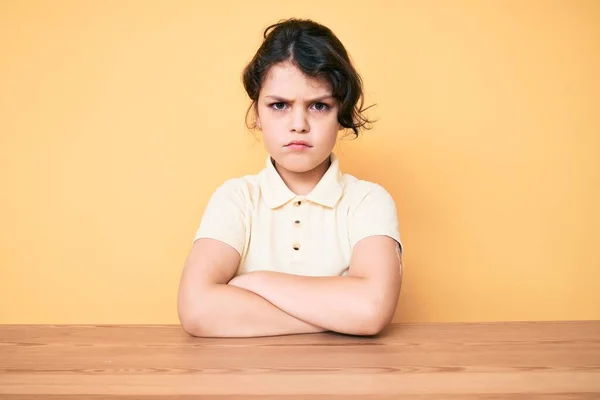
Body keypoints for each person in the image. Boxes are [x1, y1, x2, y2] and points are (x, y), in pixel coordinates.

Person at [177, 18, 403, 338]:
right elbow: (198, 310)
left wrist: (254, 283)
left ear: (341, 114)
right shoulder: (236, 199)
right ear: (257, 113)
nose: (299, 124)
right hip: (248, 384)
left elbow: (370, 310)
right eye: (280, 105)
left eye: (319, 106)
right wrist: (337, 316)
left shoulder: (368, 201)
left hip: (346, 384)